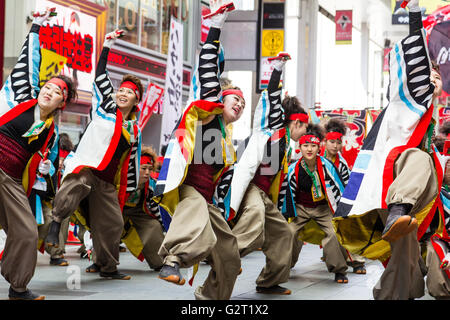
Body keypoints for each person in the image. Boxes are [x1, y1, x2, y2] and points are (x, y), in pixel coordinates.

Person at [333, 0, 444, 299]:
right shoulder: (404, 106)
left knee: (408, 269)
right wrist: (414, 14)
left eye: (437, 76)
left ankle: (394, 292)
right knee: (419, 158)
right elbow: (417, 63)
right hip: (392, 188)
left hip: (414, 206)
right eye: (428, 75)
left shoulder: (429, 122)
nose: (433, 79)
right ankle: (398, 211)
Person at [154, 0, 243, 300]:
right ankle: (173, 259)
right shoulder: (209, 114)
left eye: (243, 103)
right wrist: (216, 26)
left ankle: (208, 300)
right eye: (235, 99)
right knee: (196, 219)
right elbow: (208, 69)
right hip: (189, 190)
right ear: (221, 98)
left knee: (229, 255)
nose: (240, 104)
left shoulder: (226, 139)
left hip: (207, 200)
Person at [45, 28, 143, 281]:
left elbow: (130, 161)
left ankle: (106, 267)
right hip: (88, 166)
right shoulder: (105, 109)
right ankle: (56, 222)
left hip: (108, 181)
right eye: (121, 90)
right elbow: (100, 77)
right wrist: (107, 45)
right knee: (77, 181)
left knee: (112, 224)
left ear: (136, 100)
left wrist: (129, 187)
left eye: (129, 92)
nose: (122, 93)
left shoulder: (133, 130)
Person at [0, 8, 77, 300]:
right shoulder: (22, 97)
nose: (48, 91)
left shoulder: (50, 132)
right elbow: (28, 63)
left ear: (62, 102)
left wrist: (44, 167)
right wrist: (38, 26)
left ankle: (18, 287)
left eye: (57, 91)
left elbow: (46, 163)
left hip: (9, 179)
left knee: (28, 232)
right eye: (47, 86)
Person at [228, 53, 308, 295]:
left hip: (264, 194)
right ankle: (224, 255)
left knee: (284, 233)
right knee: (254, 216)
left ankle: (269, 282)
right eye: (304, 127)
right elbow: (272, 98)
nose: (305, 133)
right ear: (295, 123)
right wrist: (277, 70)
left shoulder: (286, 145)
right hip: (252, 187)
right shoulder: (272, 130)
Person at [282, 124, 349, 283]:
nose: (309, 149)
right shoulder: (294, 168)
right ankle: (284, 266)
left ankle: (339, 270)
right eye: (306, 145)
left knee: (334, 233)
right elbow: (288, 194)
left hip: (323, 208)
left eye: (313, 145)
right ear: (300, 147)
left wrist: (341, 213)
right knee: (289, 232)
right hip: (301, 208)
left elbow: (339, 188)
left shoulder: (327, 166)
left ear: (319, 148)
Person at [322, 118, 366, 274]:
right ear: (325, 143)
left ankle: (356, 259)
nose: (335, 145)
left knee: (351, 223)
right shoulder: (319, 161)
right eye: (332, 142)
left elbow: (348, 186)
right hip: (322, 206)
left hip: (340, 203)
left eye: (338, 142)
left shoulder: (343, 163)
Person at [121, 145, 165, 271]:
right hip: (117, 211)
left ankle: (159, 261)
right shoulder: (121, 180)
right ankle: (102, 263)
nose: (147, 173)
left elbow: (157, 210)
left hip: (139, 212)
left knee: (154, 226)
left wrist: (165, 229)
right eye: (143, 168)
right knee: (110, 226)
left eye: (150, 169)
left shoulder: (152, 185)